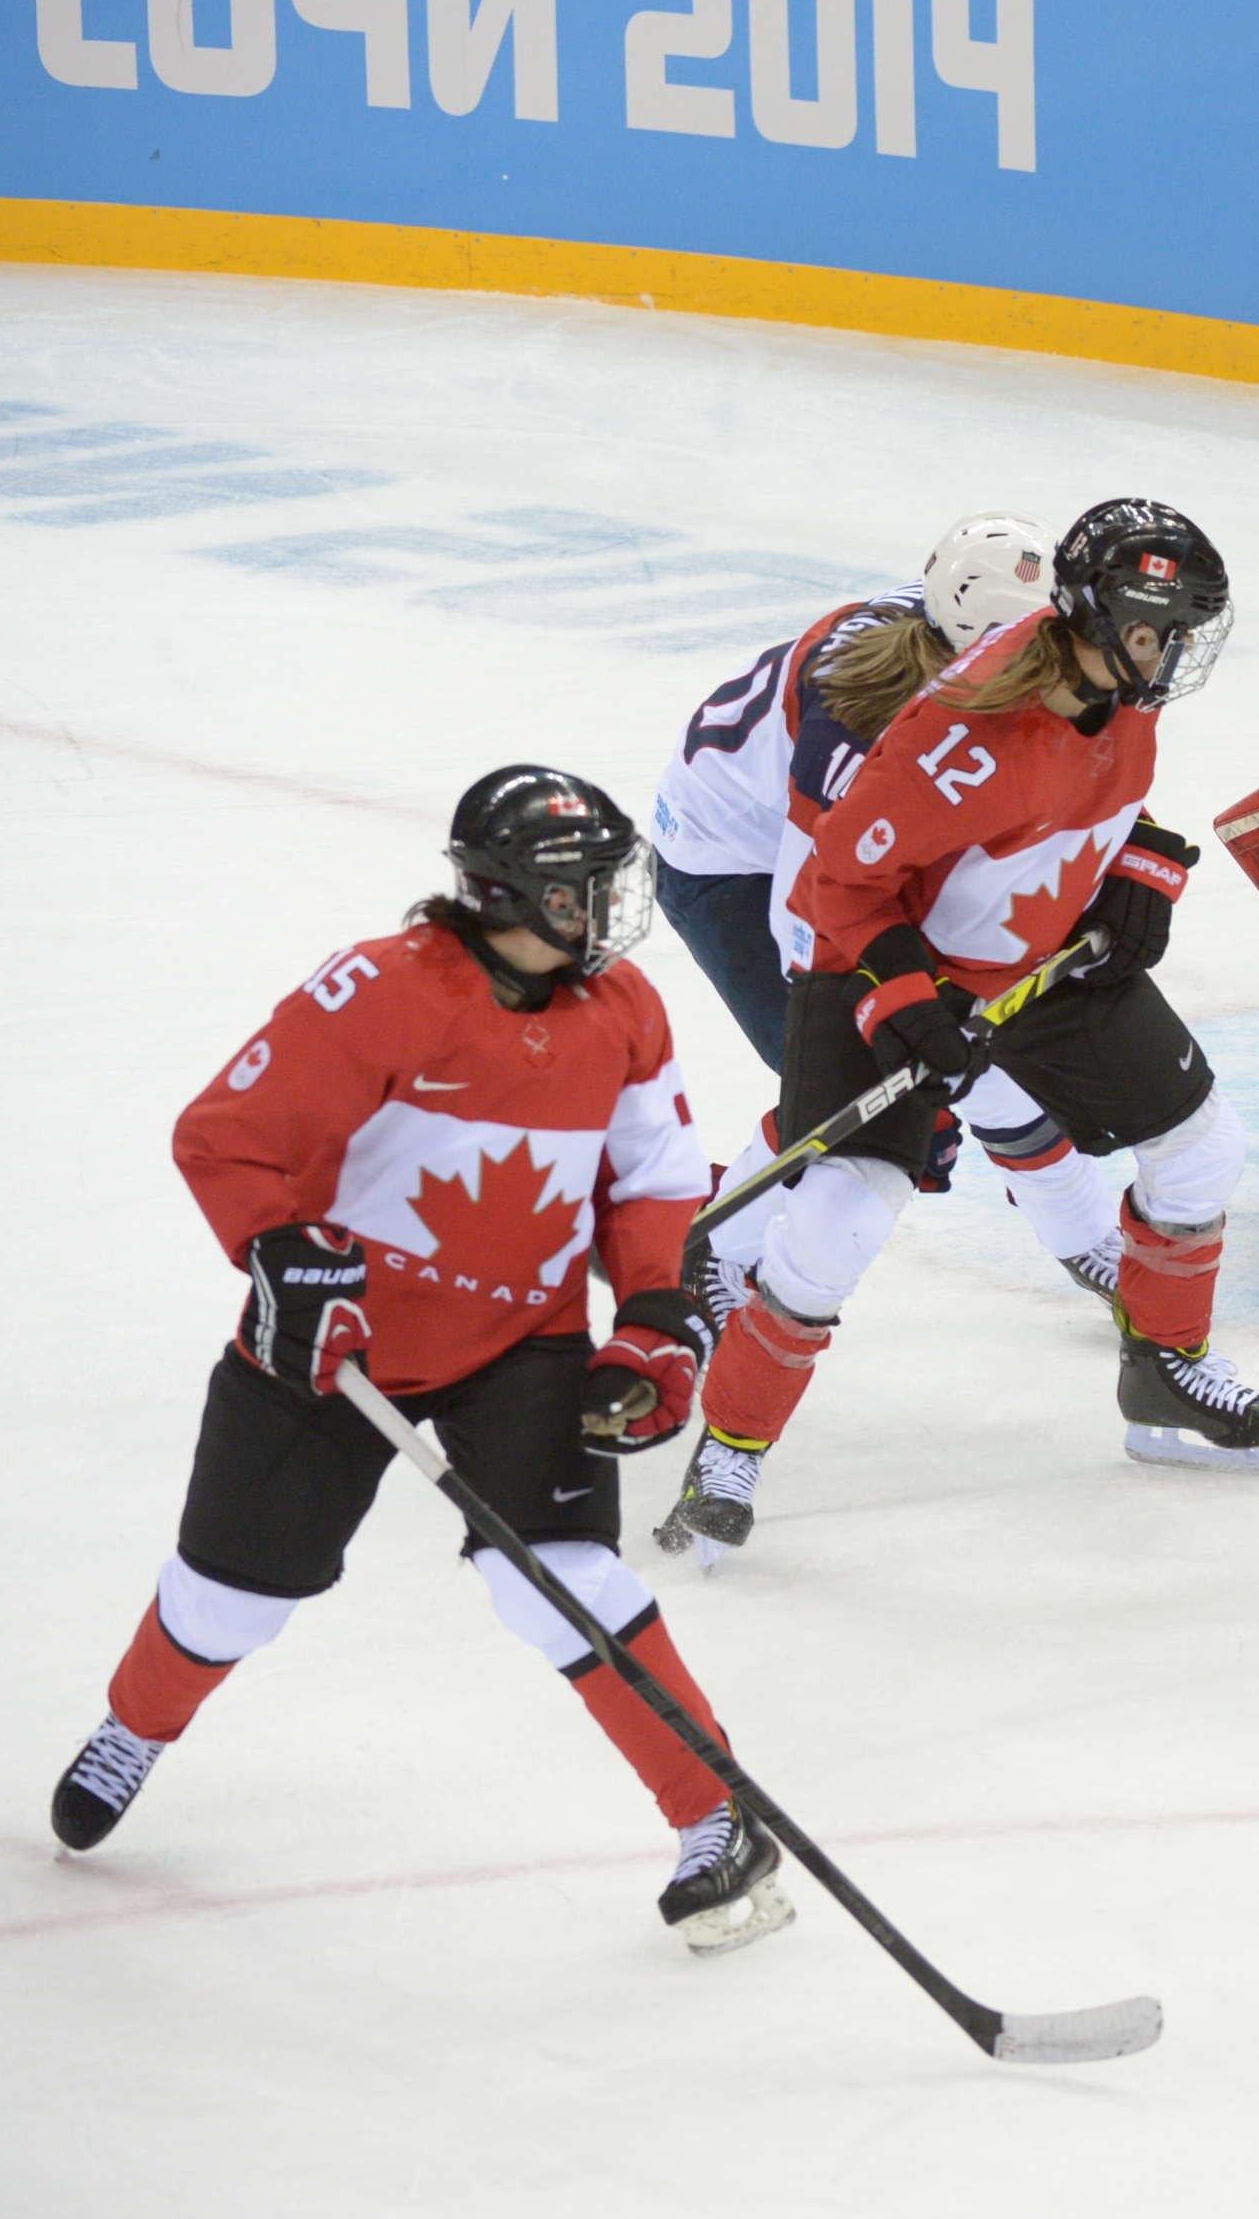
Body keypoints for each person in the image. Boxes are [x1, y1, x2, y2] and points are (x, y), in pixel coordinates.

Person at [47, 768, 791, 1955]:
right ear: (515, 892)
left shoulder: (625, 1006)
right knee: (227, 1599)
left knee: (558, 1577)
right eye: (584, 885)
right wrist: (284, 1253)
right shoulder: (384, 989)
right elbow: (226, 1136)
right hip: (335, 1345)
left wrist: (654, 1314)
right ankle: (135, 1726)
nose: (609, 904)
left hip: (522, 1341)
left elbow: (651, 1174)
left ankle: (715, 1815)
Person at [655, 498, 1259, 1559]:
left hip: (1031, 940)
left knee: (1204, 1146)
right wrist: (896, 996)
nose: (1170, 655)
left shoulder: (1111, 679)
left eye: (1178, 632)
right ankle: (730, 1444)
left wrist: (1142, 860)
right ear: (1086, 617)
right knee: (843, 1216)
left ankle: (1164, 1370)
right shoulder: (944, 732)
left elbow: (1079, 789)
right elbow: (834, 888)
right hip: (842, 923)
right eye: (1152, 630)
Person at [651, 517, 1128, 1314]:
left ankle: (1087, 1237)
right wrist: (870, 1020)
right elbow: (809, 910)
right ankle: (707, 1256)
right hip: (733, 867)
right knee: (852, 1097)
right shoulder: (860, 721)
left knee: (988, 1056)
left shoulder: (970, 635)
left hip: (864, 853)